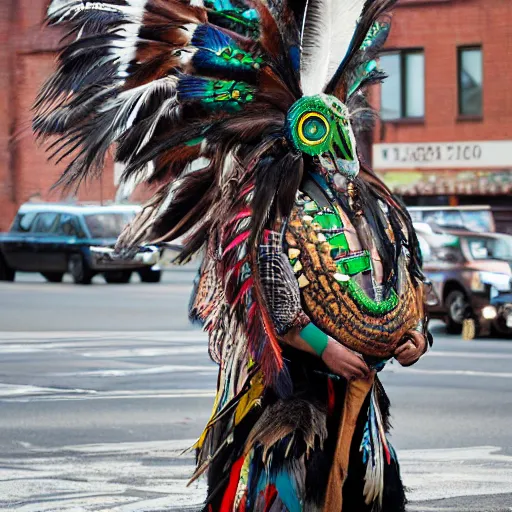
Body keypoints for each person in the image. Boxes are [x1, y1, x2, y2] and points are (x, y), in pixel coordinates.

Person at [34, 0, 432, 509]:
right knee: (277, 489)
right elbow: (266, 301)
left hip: (360, 403)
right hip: (288, 395)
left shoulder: (372, 203)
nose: (337, 144)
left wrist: (414, 338)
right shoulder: (261, 206)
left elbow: (407, 280)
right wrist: (325, 347)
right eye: (323, 129)